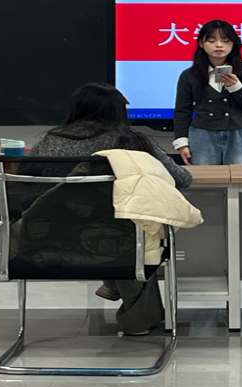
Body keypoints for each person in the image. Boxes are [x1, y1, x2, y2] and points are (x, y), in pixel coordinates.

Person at [29, 82, 192, 335]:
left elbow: (28, 187)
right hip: (120, 238)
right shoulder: (133, 141)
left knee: (114, 228)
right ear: (118, 111)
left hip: (54, 237)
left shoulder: (50, 141)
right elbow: (182, 179)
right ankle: (136, 319)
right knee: (139, 229)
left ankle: (113, 285)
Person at [173, 20, 242, 165]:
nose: (219, 45)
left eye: (225, 41)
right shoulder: (190, 75)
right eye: (211, 40)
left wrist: (236, 88)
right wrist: (182, 142)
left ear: (234, 44)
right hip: (202, 133)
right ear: (201, 43)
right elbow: (182, 110)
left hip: (241, 133)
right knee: (205, 177)